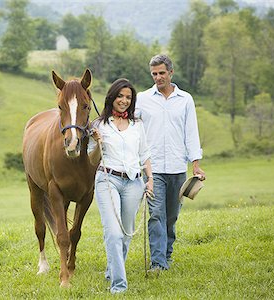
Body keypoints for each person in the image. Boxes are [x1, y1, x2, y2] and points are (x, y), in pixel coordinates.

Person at [134, 54, 206, 273]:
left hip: (177, 168)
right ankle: (157, 263)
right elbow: (131, 125)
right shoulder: (143, 99)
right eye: (154, 74)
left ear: (171, 73)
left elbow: (191, 132)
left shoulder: (185, 99)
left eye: (162, 73)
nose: (158, 77)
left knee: (171, 215)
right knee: (156, 214)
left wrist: (195, 164)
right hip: (152, 170)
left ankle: (166, 254)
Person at [88, 78, 153, 294]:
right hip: (108, 179)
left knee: (126, 234)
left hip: (134, 181)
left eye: (128, 97)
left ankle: (112, 269)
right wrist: (98, 143)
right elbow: (91, 159)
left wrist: (150, 179)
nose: (124, 101)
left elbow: (144, 155)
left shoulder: (137, 125)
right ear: (111, 97)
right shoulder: (98, 126)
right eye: (120, 96)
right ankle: (118, 285)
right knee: (114, 233)